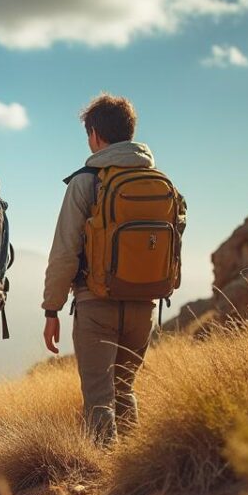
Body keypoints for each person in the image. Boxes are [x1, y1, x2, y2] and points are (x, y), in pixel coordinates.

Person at [42, 94, 179, 445]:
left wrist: (51, 309)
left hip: (96, 304)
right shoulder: (161, 182)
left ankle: (102, 470)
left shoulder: (86, 182)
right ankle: (133, 469)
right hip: (144, 305)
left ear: (95, 134)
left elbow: (64, 252)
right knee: (125, 390)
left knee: (99, 400)